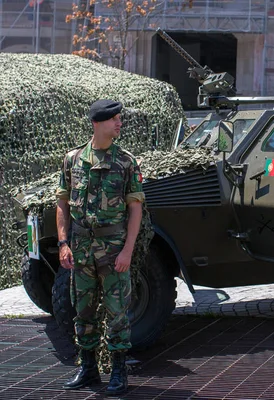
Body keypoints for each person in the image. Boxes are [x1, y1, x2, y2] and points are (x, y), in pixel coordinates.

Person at [56, 99, 144, 396]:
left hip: (113, 249)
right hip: (80, 250)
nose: (119, 123)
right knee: (83, 311)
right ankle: (88, 367)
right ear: (97, 122)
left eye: (120, 119)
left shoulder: (126, 161)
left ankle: (118, 370)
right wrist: (63, 243)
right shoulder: (72, 159)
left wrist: (128, 250)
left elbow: (135, 210)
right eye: (114, 119)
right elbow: (62, 202)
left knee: (118, 313)